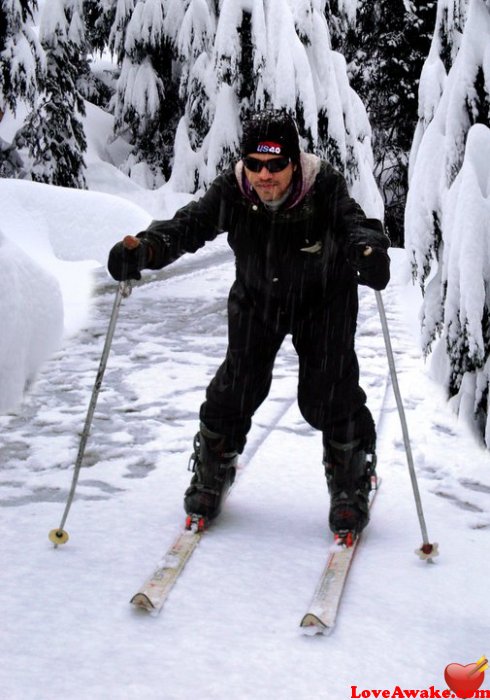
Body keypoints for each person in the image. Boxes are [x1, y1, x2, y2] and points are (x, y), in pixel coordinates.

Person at [107, 109, 390, 539]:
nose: (264, 175)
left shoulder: (322, 185)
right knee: (236, 386)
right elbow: (190, 225)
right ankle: (212, 473)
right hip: (258, 300)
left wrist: (368, 249)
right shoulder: (234, 190)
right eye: (255, 163)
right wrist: (145, 251)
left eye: (276, 164)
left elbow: (354, 223)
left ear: (294, 162)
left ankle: (351, 482)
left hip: (324, 300)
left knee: (326, 393)